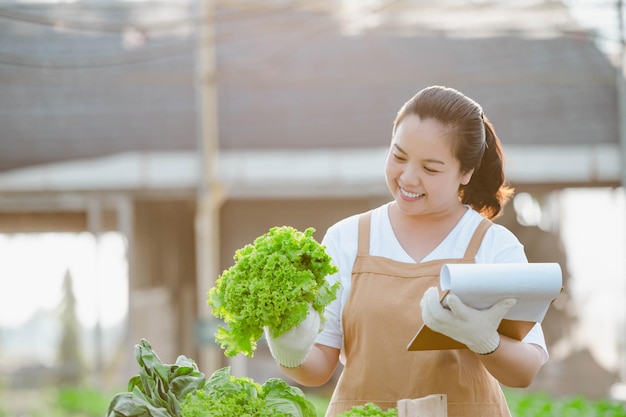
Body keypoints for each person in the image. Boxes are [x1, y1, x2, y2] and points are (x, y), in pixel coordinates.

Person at [264, 85, 548, 417]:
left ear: (465, 172)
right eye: (398, 157)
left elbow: (525, 371)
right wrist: (289, 349)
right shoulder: (346, 238)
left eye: (430, 168)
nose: (408, 178)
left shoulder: (494, 246)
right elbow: (319, 368)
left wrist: (485, 340)